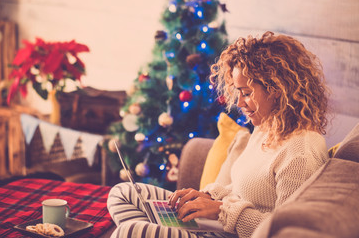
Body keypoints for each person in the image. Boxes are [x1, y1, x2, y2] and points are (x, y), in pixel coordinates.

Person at [107, 31, 330, 238]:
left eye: (247, 93)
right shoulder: (268, 127)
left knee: (131, 230)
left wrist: (220, 211)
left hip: (225, 233)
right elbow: (245, 190)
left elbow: (282, 230)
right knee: (123, 194)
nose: (240, 103)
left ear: (277, 89)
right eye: (239, 92)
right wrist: (209, 196)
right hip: (216, 225)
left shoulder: (300, 151)